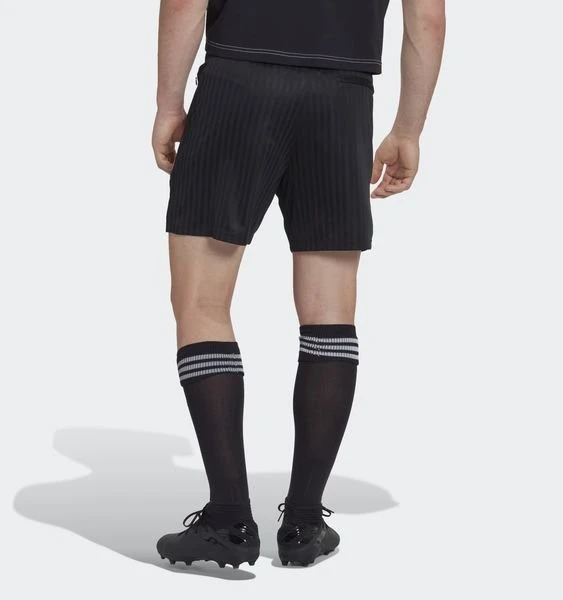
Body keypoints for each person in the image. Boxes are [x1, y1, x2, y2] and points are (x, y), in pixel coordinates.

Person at [151, 0, 445, 569]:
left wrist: (168, 103)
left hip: (238, 83)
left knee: (201, 301)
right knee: (329, 309)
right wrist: (408, 129)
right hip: (343, 97)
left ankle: (228, 520)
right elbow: (427, 18)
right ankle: (305, 521)